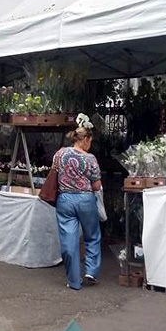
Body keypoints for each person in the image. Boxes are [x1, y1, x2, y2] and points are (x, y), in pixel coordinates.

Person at [51, 116, 102, 290]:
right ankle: (91, 271)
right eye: (90, 141)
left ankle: (73, 281)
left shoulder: (60, 154)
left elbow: (54, 173)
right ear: (85, 140)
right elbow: (96, 185)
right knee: (92, 236)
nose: (91, 145)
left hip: (64, 200)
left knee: (68, 240)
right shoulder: (90, 159)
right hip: (85, 200)